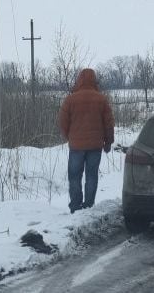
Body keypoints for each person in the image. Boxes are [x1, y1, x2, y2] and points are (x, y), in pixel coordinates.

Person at [58, 68, 115, 213]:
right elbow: (109, 123)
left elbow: (63, 122)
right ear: (94, 80)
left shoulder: (70, 99)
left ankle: (75, 205)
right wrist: (108, 142)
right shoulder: (101, 99)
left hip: (76, 145)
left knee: (74, 176)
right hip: (95, 146)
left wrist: (69, 137)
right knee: (91, 176)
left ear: (79, 80)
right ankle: (88, 205)